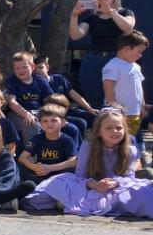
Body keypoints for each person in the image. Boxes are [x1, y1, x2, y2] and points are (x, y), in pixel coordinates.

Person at [24, 108, 153, 217]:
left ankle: (67, 202)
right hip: (88, 184)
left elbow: (128, 177)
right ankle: (64, 200)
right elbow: (80, 175)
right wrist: (95, 185)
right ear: (99, 132)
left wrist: (114, 182)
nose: (115, 132)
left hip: (116, 187)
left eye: (119, 128)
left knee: (141, 192)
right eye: (108, 128)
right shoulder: (88, 146)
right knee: (58, 183)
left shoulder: (130, 149)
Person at [69, 0, 136, 108]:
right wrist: (74, 16)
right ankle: (98, 125)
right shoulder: (92, 18)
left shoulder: (125, 12)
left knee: (117, 98)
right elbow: (76, 35)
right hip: (93, 60)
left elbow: (128, 28)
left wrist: (111, 11)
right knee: (95, 98)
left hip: (116, 59)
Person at [101, 30, 148, 136]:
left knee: (130, 141)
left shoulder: (136, 66)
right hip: (119, 114)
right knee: (118, 141)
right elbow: (108, 88)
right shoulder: (113, 65)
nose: (140, 55)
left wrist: (143, 106)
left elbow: (139, 87)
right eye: (139, 51)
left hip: (135, 113)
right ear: (127, 49)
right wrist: (115, 109)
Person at [17, 105, 78, 185]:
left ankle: (49, 184)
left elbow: (73, 161)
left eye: (54, 120)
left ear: (62, 122)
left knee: (71, 170)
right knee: (19, 166)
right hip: (41, 172)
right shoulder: (37, 138)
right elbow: (22, 158)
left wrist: (51, 168)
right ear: (40, 124)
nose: (49, 124)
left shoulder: (67, 140)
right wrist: (33, 167)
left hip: (59, 173)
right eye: (45, 121)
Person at [4, 51, 53, 145]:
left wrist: (49, 114)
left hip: (39, 112)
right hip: (17, 113)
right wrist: (26, 114)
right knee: (33, 127)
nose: (21, 70)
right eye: (17, 68)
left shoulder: (40, 80)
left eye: (25, 67)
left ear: (33, 66)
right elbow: (12, 102)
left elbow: (49, 99)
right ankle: (31, 156)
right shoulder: (11, 81)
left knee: (66, 126)